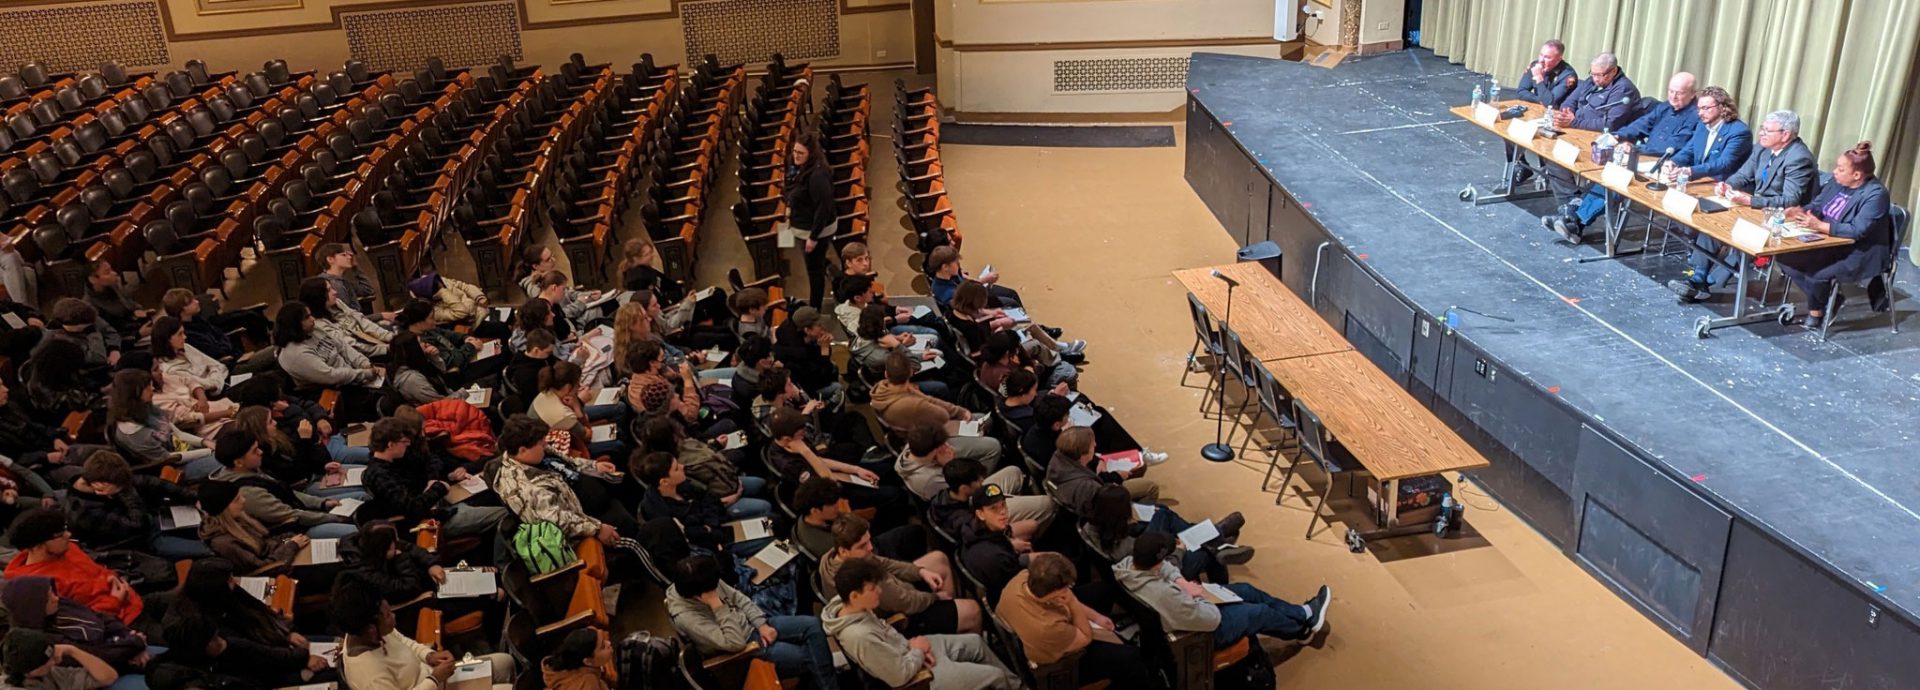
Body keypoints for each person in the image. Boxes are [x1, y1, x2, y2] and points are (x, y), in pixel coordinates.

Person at [1670, 109, 1819, 302]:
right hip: (1757, 207)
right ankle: (1698, 275)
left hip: (1782, 217)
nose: (1761, 134)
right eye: (1762, 129)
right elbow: (1743, 175)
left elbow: (1790, 199)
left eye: (1767, 130)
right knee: (1714, 218)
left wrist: (1750, 201)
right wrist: (1727, 185)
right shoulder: (1762, 148)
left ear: (1786, 135)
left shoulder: (1798, 158)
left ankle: (1708, 283)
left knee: (1747, 237)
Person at [822, 558, 1020, 690]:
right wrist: (917, 653)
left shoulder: (848, 605)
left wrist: (916, 651)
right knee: (995, 676)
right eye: (873, 589)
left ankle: (1018, 686)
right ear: (855, 595)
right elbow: (898, 677)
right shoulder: (860, 637)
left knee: (976, 642)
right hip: (918, 677)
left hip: (912, 652)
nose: (879, 592)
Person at [1548, 71, 1698, 242]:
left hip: (1665, 166)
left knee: (1620, 178)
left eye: (1679, 93)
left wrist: (1635, 149)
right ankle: (1573, 219)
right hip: (1643, 158)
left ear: (1693, 94)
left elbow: (1672, 147)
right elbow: (1642, 124)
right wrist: (1618, 136)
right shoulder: (1665, 107)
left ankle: (1574, 218)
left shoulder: (1696, 116)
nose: (1673, 96)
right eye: (1671, 91)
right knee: (1606, 169)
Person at [1117, 532, 1329, 649]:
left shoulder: (1129, 564)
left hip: (1188, 603)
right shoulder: (1163, 595)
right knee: (1257, 612)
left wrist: (1181, 581)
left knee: (1246, 590)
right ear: (1158, 559)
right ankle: (1302, 631)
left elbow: (1165, 567)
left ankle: (1304, 613)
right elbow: (1209, 620)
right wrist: (1203, 596)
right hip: (1201, 629)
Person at [666, 555, 841, 690]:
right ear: (699, 596)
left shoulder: (704, 579)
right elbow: (734, 643)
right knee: (811, 656)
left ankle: (825, 685)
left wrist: (761, 624)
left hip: (752, 627)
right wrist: (718, 606)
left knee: (812, 625)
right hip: (743, 651)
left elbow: (740, 598)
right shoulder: (687, 617)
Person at [998, 553, 1161, 690]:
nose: (1070, 589)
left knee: (1102, 590)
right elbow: (1085, 637)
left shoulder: (1022, 579)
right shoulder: (1047, 628)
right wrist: (1072, 603)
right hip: (1063, 666)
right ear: (1057, 592)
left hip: (1042, 627)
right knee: (1130, 657)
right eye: (1067, 587)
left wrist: (1095, 616)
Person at [1778, 142, 1895, 328]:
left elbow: (1858, 230)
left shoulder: (1876, 195)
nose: (1834, 172)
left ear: (1857, 175)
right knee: (1785, 259)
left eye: (1841, 169)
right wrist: (1800, 211)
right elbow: (1817, 205)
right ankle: (1828, 299)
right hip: (1828, 242)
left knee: (1815, 275)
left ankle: (1816, 311)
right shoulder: (1837, 183)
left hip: (1858, 252)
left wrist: (1820, 226)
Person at [333, 579, 515, 690]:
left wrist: (429, 655)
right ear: (372, 630)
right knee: (508, 688)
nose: (394, 616)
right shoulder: (369, 675)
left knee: (505, 662)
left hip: (434, 676)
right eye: (388, 615)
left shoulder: (367, 630)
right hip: (434, 682)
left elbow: (404, 641)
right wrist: (434, 679)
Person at [819, 514, 979, 635]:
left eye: (869, 541)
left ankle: (953, 619)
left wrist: (920, 572)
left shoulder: (831, 557)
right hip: (899, 619)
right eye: (862, 545)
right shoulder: (864, 579)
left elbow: (885, 563)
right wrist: (936, 598)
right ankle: (957, 627)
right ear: (844, 550)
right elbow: (907, 602)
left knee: (938, 559)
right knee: (973, 610)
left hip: (897, 591)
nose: (870, 548)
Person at [493, 415, 626, 547]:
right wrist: (597, 529)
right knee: (629, 526)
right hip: (586, 521)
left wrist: (593, 466)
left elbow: (568, 462)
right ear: (522, 450)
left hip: (593, 494)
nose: (546, 444)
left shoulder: (536, 453)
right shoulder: (523, 487)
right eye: (541, 443)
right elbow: (555, 521)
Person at [207, 428, 358, 539]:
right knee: (357, 532)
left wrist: (323, 503)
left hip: (303, 514)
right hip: (295, 532)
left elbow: (286, 491)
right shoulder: (246, 492)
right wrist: (334, 517)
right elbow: (289, 515)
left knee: (359, 499)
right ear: (238, 462)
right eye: (254, 451)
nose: (260, 452)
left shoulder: (249, 469)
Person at [3, 509, 144, 625]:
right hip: (120, 622)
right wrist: (115, 601)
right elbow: (78, 623)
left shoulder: (68, 549)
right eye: (60, 534)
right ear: (39, 546)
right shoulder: (39, 586)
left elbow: (98, 572)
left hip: (133, 600)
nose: (68, 535)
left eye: (65, 529)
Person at [60, 450, 205, 558]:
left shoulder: (105, 475)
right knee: (208, 551)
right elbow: (138, 525)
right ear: (100, 486)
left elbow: (150, 482)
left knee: (210, 526)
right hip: (140, 543)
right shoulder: (84, 513)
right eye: (121, 486)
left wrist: (194, 497)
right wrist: (125, 492)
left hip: (154, 519)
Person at [2, 575, 149, 673]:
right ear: (35, 607)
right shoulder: (41, 639)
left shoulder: (60, 604)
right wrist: (135, 643)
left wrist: (126, 634)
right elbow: (98, 655)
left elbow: (100, 617)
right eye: (48, 598)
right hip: (102, 673)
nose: (55, 598)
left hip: (124, 646)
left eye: (52, 592)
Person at [637, 417, 767, 519]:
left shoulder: (682, 447)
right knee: (765, 506)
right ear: (671, 439)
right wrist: (730, 499)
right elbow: (702, 502)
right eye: (676, 433)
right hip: (723, 500)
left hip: (728, 479)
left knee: (760, 483)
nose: (680, 432)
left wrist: (715, 444)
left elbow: (701, 448)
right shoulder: (678, 473)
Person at [635, 452, 759, 556]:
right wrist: (709, 529)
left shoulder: (682, 484)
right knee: (770, 531)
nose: (682, 467)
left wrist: (710, 525)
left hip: (719, 526)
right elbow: (696, 537)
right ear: (664, 482)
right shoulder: (662, 514)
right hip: (716, 546)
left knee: (771, 522)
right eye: (676, 468)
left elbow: (709, 499)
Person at [107, 369, 222, 480]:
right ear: (134, 394)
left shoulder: (147, 408)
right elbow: (169, 458)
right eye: (147, 387)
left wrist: (205, 442)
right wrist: (208, 451)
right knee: (228, 458)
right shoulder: (133, 433)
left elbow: (178, 434)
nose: (152, 388)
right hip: (175, 468)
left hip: (189, 450)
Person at [274, 302, 384, 417]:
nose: (313, 319)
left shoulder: (313, 330)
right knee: (386, 401)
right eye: (307, 317)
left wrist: (363, 363)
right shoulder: (294, 354)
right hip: (338, 391)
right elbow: (330, 376)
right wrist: (363, 374)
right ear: (295, 324)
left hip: (354, 375)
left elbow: (342, 346)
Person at [927, 457, 1052, 547]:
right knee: (1046, 505)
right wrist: (1008, 543)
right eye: (979, 481)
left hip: (974, 505)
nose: (983, 481)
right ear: (964, 488)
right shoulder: (966, 523)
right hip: (988, 530)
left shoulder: (945, 496)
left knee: (1013, 471)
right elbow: (981, 537)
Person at [791, 478, 923, 562]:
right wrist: (849, 516)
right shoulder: (829, 545)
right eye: (833, 504)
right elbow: (865, 554)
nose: (838, 506)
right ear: (815, 510)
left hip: (858, 540)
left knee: (888, 505)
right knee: (915, 533)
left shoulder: (807, 518)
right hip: (867, 554)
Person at [196, 480, 308, 575]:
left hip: (283, 556)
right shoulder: (225, 544)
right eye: (236, 500)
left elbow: (267, 541)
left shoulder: (236, 520)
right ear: (223, 510)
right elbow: (263, 568)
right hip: (279, 571)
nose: (243, 500)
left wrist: (289, 539)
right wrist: (292, 546)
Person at [872, 355, 982, 443]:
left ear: (886, 374)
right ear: (911, 372)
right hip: (929, 440)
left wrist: (959, 411)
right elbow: (943, 416)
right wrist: (959, 412)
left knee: (979, 418)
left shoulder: (881, 388)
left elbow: (930, 401)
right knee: (992, 445)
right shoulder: (912, 404)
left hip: (920, 431)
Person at [1047, 426, 1159, 508]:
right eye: (1092, 445)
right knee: (1151, 488)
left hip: (1093, 489)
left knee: (1140, 468)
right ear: (1083, 453)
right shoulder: (1088, 486)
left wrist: (1100, 460)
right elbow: (1103, 497)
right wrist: (1117, 477)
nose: (1095, 445)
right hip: (1106, 502)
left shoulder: (1058, 457)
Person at [786, 136, 838, 307]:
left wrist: (813, 237)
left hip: (815, 230)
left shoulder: (817, 176)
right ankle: (831, 269)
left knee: (814, 272)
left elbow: (824, 208)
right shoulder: (801, 167)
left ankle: (815, 308)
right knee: (816, 260)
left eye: (801, 153)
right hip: (801, 224)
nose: (796, 155)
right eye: (794, 151)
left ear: (811, 154)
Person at [895, 424, 1006, 503]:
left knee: (990, 444)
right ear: (935, 451)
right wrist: (951, 464)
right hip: (965, 498)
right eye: (943, 446)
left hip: (947, 470)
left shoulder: (913, 448)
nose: (949, 447)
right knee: (1012, 471)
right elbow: (962, 493)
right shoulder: (929, 480)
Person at [529, 360, 619, 458]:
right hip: (555, 450)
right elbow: (587, 435)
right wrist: (576, 404)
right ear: (568, 387)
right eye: (578, 384)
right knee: (618, 444)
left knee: (619, 407)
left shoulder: (546, 391)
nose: (579, 387)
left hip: (548, 435)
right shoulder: (562, 414)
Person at [338, 524, 443, 605]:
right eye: (394, 545)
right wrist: (401, 559)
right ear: (382, 551)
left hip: (417, 577)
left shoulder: (371, 541)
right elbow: (410, 588)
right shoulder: (366, 574)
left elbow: (408, 547)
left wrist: (431, 564)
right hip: (409, 602)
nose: (398, 545)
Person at [1666, 86, 1751, 183]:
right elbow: (1690, 149)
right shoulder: (1702, 126)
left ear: (1723, 107)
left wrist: (1691, 171)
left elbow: (1724, 163)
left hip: (1724, 185)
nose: (1700, 113)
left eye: (1706, 108)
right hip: (1701, 180)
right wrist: (1674, 162)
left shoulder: (1739, 132)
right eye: (1699, 109)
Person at [300, 276, 391, 359]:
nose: (335, 292)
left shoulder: (337, 303)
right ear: (318, 296)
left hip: (374, 340)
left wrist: (389, 337)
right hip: (365, 356)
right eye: (329, 290)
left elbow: (361, 319)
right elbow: (351, 346)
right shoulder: (319, 324)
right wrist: (385, 349)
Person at [0, 628, 118, 690]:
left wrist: (72, 650)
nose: (55, 661)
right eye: (47, 661)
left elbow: (108, 677)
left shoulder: (49, 673)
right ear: (29, 671)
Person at [771, 306, 841, 402]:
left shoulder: (802, 339)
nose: (823, 328)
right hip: (806, 390)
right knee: (838, 388)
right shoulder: (795, 355)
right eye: (819, 325)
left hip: (812, 377)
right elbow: (821, 377)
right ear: (807, 330)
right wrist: (824, 349)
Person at [82, 260, 147, 343]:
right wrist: (138, 335)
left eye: (111, 270)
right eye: (107, 272)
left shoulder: (111, 287)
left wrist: (136, 309)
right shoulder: (90, 306)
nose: (115, 273)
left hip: (132, 327)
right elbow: (107, 337)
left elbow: (128, 302)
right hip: (123, 341)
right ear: (93, 279)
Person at [316, 242, 384, 317]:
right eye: (344, 255)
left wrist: (355, 267)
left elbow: (368, 290)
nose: (349, 257)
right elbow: (350, 318)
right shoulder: (334, 285)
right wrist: (380, 316)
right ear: (330, 259)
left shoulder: (342, 280)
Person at [386, 331, 453, 406]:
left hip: (447, 400)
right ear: (413, 349)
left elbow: (442, 374)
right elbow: (440, 403)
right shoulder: (412, 379)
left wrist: (435, 358)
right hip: (440, 410)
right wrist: (463, 393)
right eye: (420, 342)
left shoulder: (417, 363)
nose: (425, 344)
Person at [540, 628, 614, 690]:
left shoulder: (566, 665)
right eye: (603, 647)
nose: (609, 643)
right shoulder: (589, 684)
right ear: (588, 661)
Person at [406, 272, 487, 327]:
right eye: (440, 286)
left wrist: (478, 296)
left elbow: (464, 286)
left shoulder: (439, 281)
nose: (443, 284)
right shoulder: (431, 309)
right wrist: (443, 292)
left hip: (480, 307)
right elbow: (461, 312)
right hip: (473, 321)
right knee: (498, 327)